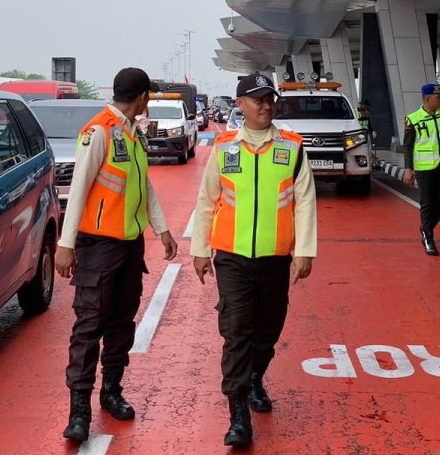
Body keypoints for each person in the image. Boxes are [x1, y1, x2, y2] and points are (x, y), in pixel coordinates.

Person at [192, 72, 317, 449]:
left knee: (268, 333)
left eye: (270, 99)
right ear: (240, 104)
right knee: (237, 334)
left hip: (276, 259)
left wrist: (305, 251)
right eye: (257, 99)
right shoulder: (225, 146)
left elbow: (305, 201)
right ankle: (238, 416)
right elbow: (206, 201)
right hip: (231, 259)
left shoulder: (292, 147)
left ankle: (254, 379)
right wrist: (200, 249)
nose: (266, 105)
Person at [55, 67, 178, 443]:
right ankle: (79, 410)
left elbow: (143, 188)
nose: (149, 102)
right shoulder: (100, 132)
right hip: (98, 247)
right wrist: (66, 243)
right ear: (141, 98)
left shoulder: (132, 134)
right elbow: (78, 189)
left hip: (129, 247)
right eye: (149, 96)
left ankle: (112, 391)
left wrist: (162, 228)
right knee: (90, 326)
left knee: (122, 322)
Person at [402, 83, 440, 256]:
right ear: (428, 99)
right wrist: (408, 168)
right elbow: (407, 146)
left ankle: (425, 228)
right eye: (438, 98)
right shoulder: (413, 119)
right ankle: (428, 237)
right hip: (424, 168)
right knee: (428, 203)